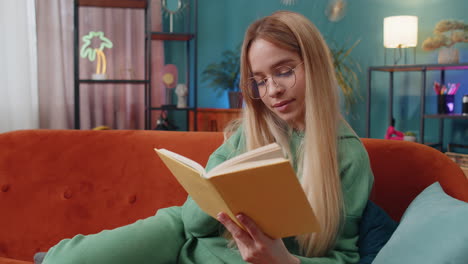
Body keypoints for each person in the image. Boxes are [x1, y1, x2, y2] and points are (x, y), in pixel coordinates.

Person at [42, 11, 373, 264]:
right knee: (70, 260)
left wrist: (284, 261)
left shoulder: (347, 156)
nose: (272, 90)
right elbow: (192, 223)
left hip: (227, 256)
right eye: (259, 79)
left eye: (284, 70)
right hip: (178, 235)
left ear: (313, 65)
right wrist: (214, 188)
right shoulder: (246, 133)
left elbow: (345, 257)